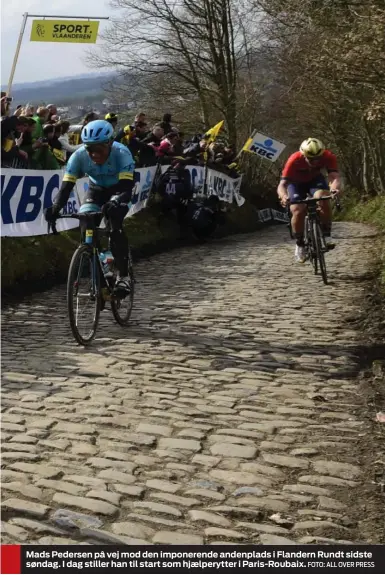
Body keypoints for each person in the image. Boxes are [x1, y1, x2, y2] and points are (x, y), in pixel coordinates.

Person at [45, 120, 135, 296]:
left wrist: (116, 201)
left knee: (114, 223)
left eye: (99, 149)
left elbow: (126, 186)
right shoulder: (78, 156)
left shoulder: (122, 153)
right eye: (89, 149)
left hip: (120, 189)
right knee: (86, 221)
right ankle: (101, 261)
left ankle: (124, 277)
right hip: (97, 189)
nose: (94, 154)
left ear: (109, 143)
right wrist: (55, 208)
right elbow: (66, 188)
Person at [277, 138, 342, 263]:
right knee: (297, 210)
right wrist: (283, 196)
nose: (314, 161)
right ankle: (300, 244)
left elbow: (334, 177)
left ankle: (326, 233)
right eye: (310, 159)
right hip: (295, 184)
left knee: (323, 198)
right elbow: (282, 184)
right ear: (303, 154)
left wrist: (334, 189)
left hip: (314, 181)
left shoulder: (328, 156)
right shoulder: (294, 159)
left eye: (318, 158)